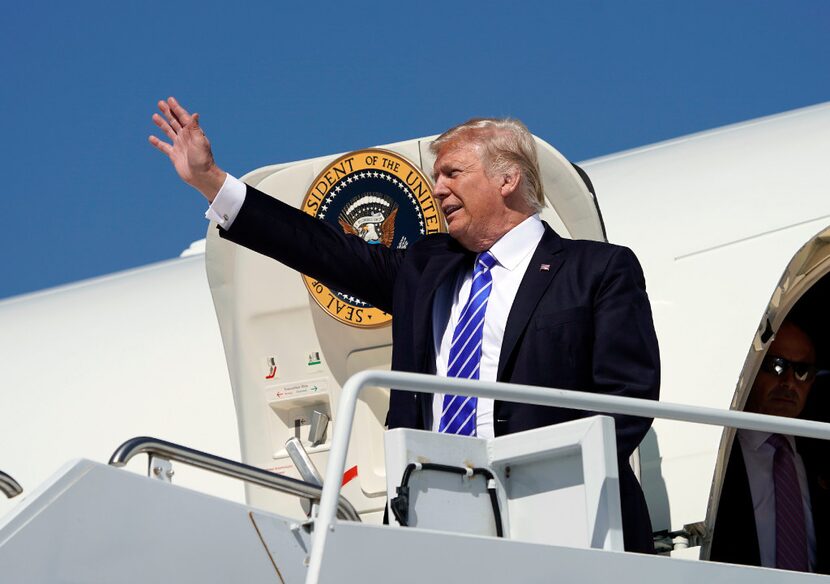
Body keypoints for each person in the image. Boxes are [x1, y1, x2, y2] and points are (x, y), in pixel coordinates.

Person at [149, 97, 661, 552]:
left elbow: (629, 397)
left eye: (452, 174)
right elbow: (323, 250)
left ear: (507, 179)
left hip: (563, 519)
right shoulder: (426, 267)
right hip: (440, 518)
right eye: (436, 177)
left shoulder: (596, 269)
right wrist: (212, 181)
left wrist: (549, 480)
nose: (437, 189)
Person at [710, 320, 829, 573]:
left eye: (802, 371)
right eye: (776, 366)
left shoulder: (823, 454)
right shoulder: (715, 453)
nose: (789, 382)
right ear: (751, 370)